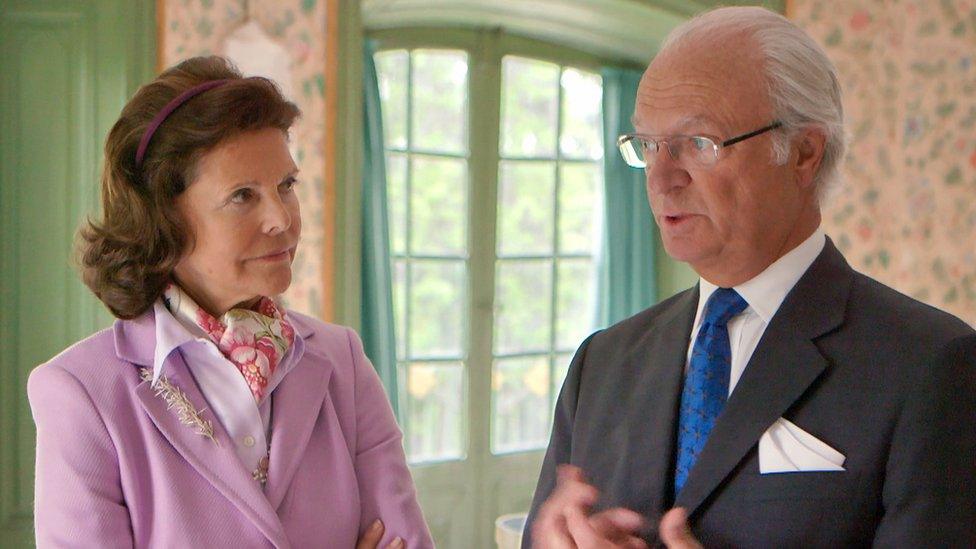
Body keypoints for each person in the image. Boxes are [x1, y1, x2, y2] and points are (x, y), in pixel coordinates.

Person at [523, 6, 976, 548]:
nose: (663, 177)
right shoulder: (600, 364)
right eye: (647, 145)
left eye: (699, 142)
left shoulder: (933, 365)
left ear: (805, 152)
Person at [28, 56, 433, 549]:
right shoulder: (82, 395)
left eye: (286, 185)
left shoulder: (342, 362)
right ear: (162, 218)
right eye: (243, 196)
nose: (281, 219)